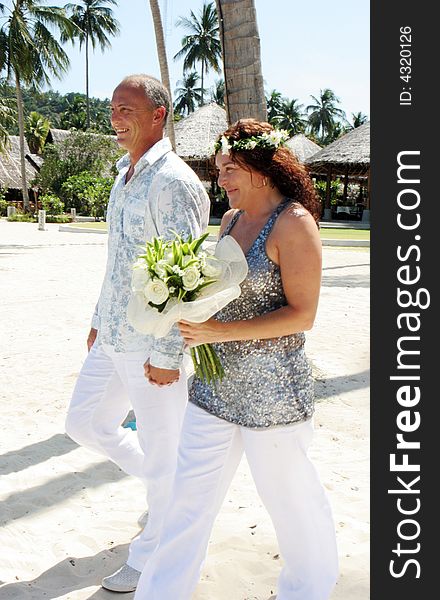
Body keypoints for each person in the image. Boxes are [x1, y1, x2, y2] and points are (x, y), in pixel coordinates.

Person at [134, 119, 339, 600]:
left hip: (272, 396)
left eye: (230, 169)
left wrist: (219, 331)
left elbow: (302, 315)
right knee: (187, 504)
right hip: (212, 389)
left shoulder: (294, 224)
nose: (220, 180)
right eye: (220, 169)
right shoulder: (228, 222)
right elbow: (214, 296)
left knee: (292, 507)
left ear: (262, 171)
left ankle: (306, 592)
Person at [65, 74, 210, 593]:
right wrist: (98, 318)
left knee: (165, 451)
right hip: (114, 336)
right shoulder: (123, 174)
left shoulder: (174, 181)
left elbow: (186, 271)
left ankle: (151, 555)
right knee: (83, 422)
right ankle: (162, 486)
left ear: (158, 115)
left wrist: (171, 351)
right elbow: (117, 260)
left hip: (155, 347)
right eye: (112, 108)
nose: (115, 117)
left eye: (127, 108)